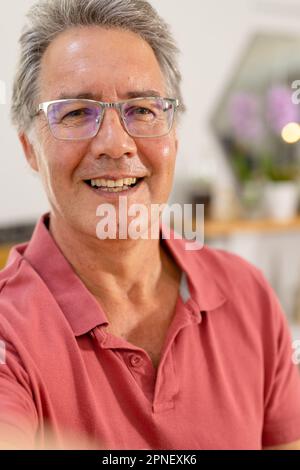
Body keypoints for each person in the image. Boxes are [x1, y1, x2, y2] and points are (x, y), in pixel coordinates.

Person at [0, 0, 300, 450]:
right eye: (77, 113)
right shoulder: (10, 329)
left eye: (142, 110)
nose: (116, 144)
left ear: (173, 136)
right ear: (29, 149)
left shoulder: (248, 295)